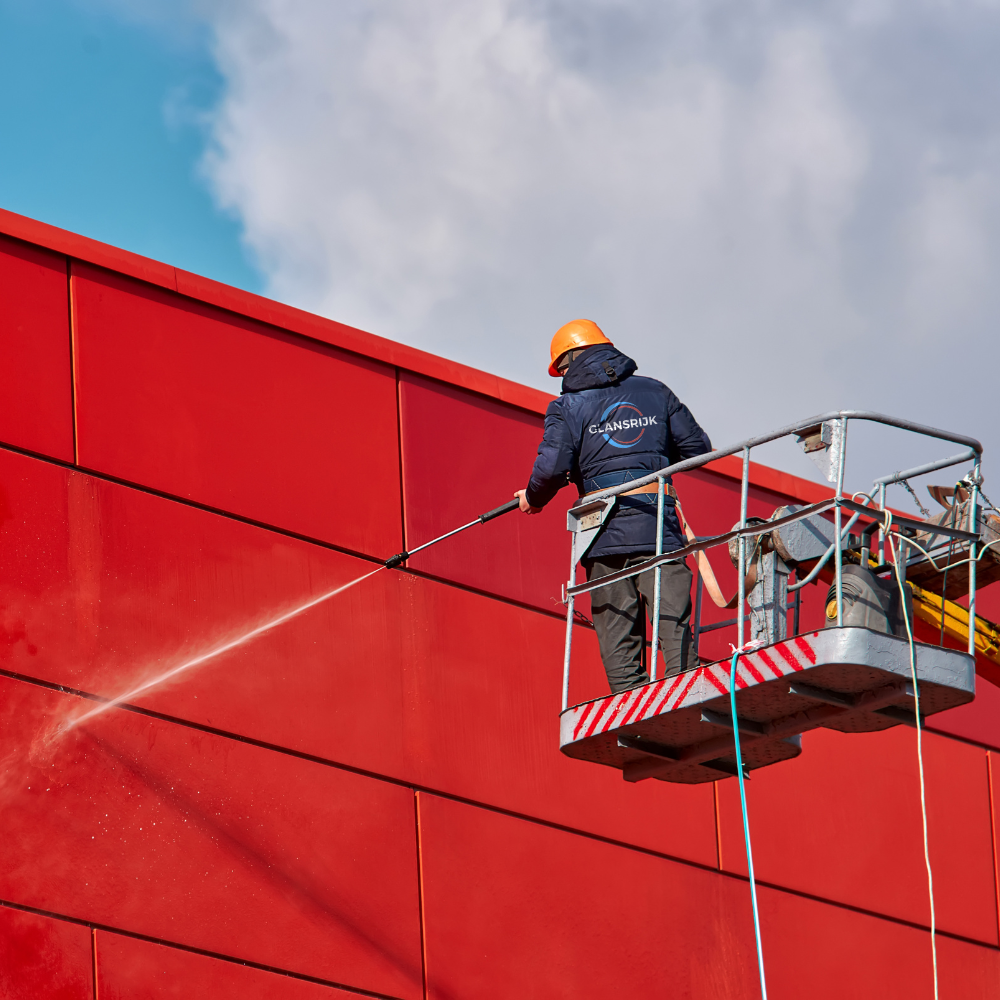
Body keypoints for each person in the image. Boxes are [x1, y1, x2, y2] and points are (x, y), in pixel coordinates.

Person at [515, 319, 712, 693]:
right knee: (672, 617)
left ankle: (629, 704)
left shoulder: (567, 407)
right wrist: (648, 452)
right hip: (657, 526)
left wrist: (533, 497)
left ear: (569, 360)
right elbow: (698, 451)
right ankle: (685, 691)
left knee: (616, 625)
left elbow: (552, 467)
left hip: (601, 533)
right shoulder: (656, 392)